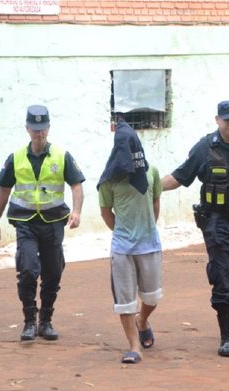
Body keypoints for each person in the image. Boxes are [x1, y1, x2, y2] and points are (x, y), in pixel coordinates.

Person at [161, 100, 229, 357]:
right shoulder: (205, 148)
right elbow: (179, 177)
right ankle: (226, 336)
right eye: (226, 120)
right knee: (225, 276)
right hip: (217, 222)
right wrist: (150, 188)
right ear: (217, 120)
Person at [0, 105, 85, 342]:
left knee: (53, 272)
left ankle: (46, 321)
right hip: (25, 222)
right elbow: (4, 189)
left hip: (53, 222)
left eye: (42, 129)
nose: (38, 134)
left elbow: (76, 185)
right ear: (27, 129)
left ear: (48, 129)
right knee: (28, 270)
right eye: (34, 129)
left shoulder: (62, 156)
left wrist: (76, 212)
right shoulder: (16, 158)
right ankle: (29, 321)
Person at [97, 113, 163, 364]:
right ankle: (134, 345)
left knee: (153, 297)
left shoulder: (151, 172)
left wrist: (148, 228)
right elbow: (106, 212)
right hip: (122, 248)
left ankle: (143, 320)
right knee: (125, 301)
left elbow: (155, 201)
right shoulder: (108, 180)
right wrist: (122, 233)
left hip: (149, 244)